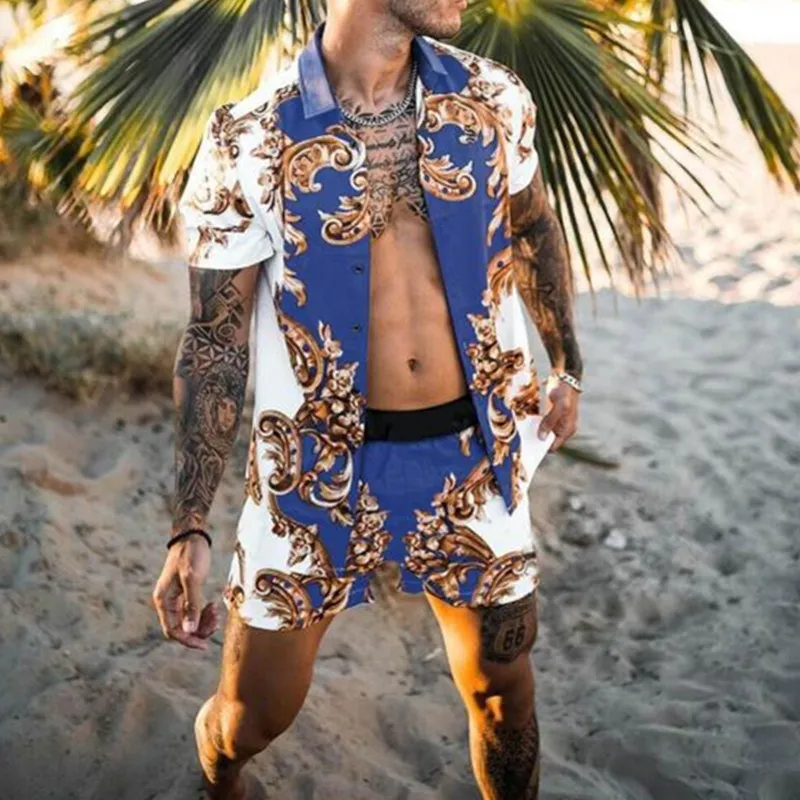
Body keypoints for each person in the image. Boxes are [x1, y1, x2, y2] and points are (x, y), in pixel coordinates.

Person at [152, 0, 583, 796]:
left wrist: (568, 364)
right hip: (314, 470)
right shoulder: (250, 136)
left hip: (473, 455)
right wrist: (191, 523)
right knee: (252, 716)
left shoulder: (493, 96)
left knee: (502, 692)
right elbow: (215, 340)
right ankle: (220, 778)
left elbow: (531, 226)